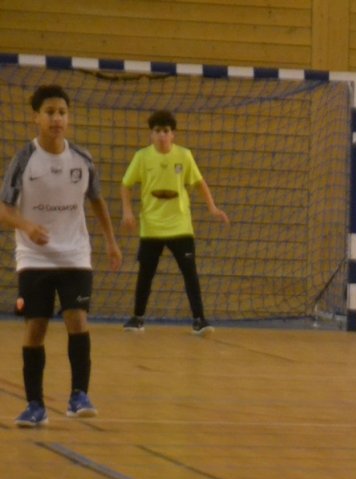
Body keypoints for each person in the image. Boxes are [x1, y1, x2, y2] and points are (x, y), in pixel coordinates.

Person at [1, 84, 121, 428]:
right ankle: (35, 405)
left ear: (68, 118)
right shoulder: (23, 160)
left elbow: (96, 200)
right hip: (34, 258)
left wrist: (111, 241)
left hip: (75, 255)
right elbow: (4, 209)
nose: (57, 119)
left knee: (77, 320)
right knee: (35, 328)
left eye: (62, 113)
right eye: (50, 112)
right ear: (36, 118)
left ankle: (79, 395)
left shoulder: (82, 159)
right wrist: (27, 226)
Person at [119, 109, 228, 335]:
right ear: (151, 134)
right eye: (157, 131)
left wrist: (212, 207)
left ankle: (199, 319)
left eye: (166, 131)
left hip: (180, 226)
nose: (162, 135)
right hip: (151, 227)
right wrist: (127, 212)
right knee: (145, 274)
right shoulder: (142, 157)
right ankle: (137, 318)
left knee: (190, 273)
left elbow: (199, 183)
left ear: (172, 134)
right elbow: (126, 185)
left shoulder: (184, 156)